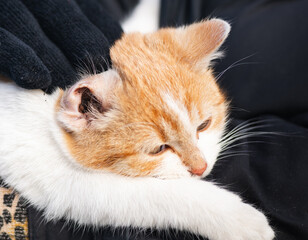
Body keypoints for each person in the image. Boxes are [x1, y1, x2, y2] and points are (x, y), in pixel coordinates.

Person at [1, 1, 307, 240]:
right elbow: (63, 187)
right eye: (159, 148)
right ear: (84, 111)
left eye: (202, 126)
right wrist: (194, 207)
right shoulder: (32, 119)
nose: (199, 165)